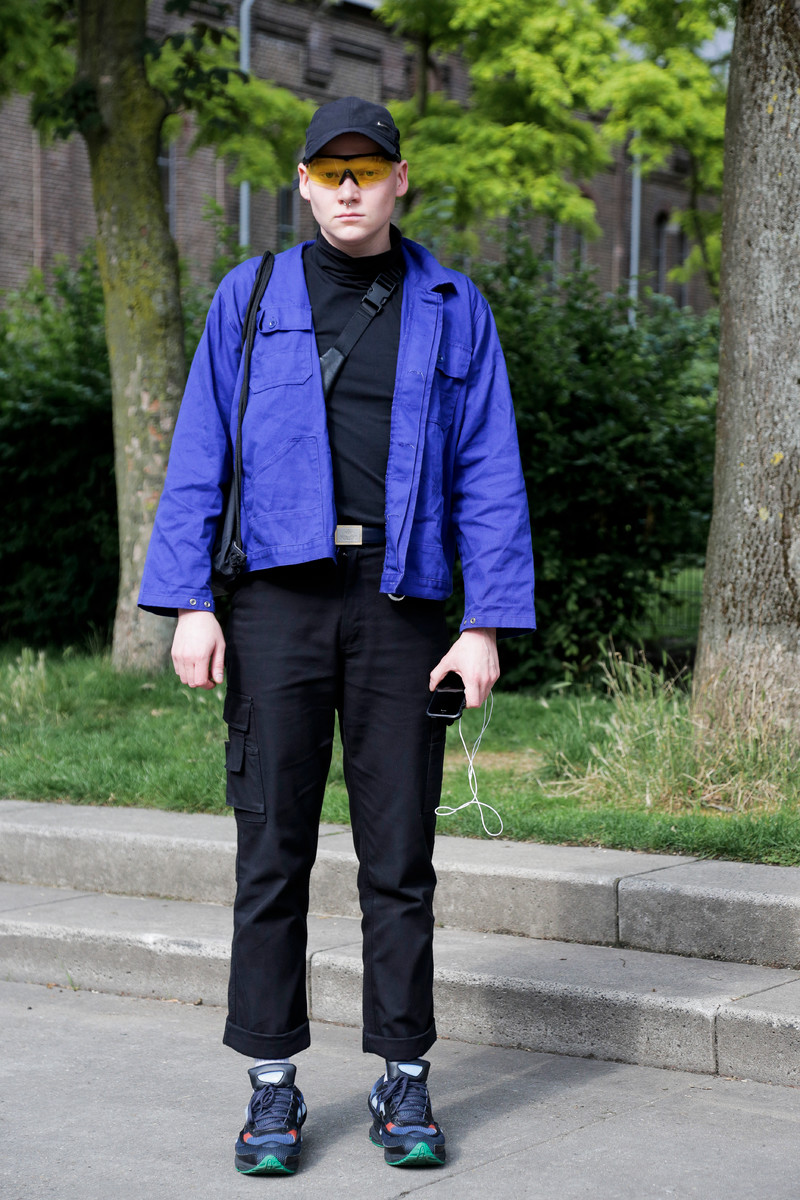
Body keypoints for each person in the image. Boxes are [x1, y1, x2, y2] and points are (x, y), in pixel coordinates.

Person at [138, 95, 535, 1176]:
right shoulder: (250, 293)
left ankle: (402, 1075)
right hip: (276, 602)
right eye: (330, 171)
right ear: (304, 183)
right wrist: (190, 602)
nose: (349, 188)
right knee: (271, 849)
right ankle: (271, 1086)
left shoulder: (452, 305)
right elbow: (201, 452)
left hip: (401, 605)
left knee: (399, 859)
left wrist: (484, 624)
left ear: (401, 180)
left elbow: (489, 469)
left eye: (368, 169)